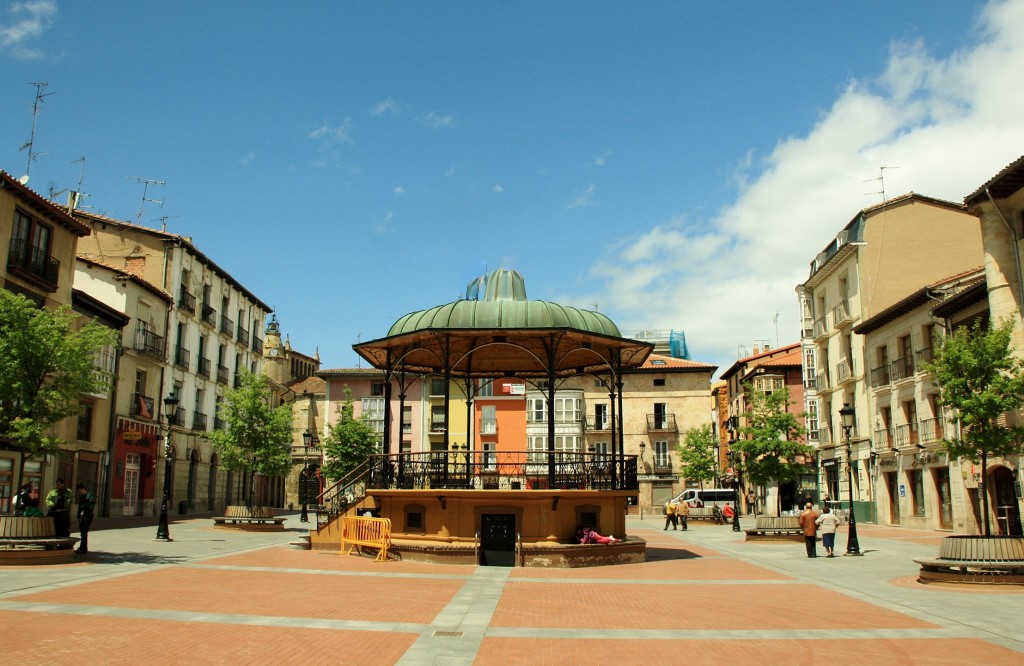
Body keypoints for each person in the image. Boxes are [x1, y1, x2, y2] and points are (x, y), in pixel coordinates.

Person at [76, 483, 95, 554]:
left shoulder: (90, 496)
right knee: (82, 532)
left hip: (87, 516)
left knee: (84, 532)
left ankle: (83, 548)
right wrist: (78, 516)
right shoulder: (82, 497)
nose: (80, 492)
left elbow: (91, 507)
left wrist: (86, 504)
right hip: (82, 516)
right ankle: (83, 547)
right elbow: (80, 508)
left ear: (84, 489)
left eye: (80, 490)